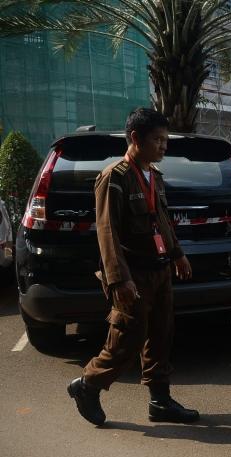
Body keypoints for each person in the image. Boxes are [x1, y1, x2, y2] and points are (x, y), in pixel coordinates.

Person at [67, 108, 199, 426]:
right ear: (136, 139)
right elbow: (107, 231)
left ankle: (161, 402)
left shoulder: (155, 176)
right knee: (128, 339)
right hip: (133, 275)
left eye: (166, 140)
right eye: (157, 139)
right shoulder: (115, 178)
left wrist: (178, 254)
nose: (163, 146)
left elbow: (162, 221)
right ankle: (87, 385)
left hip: (160, 270)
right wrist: (118, 279)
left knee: (161, 336)